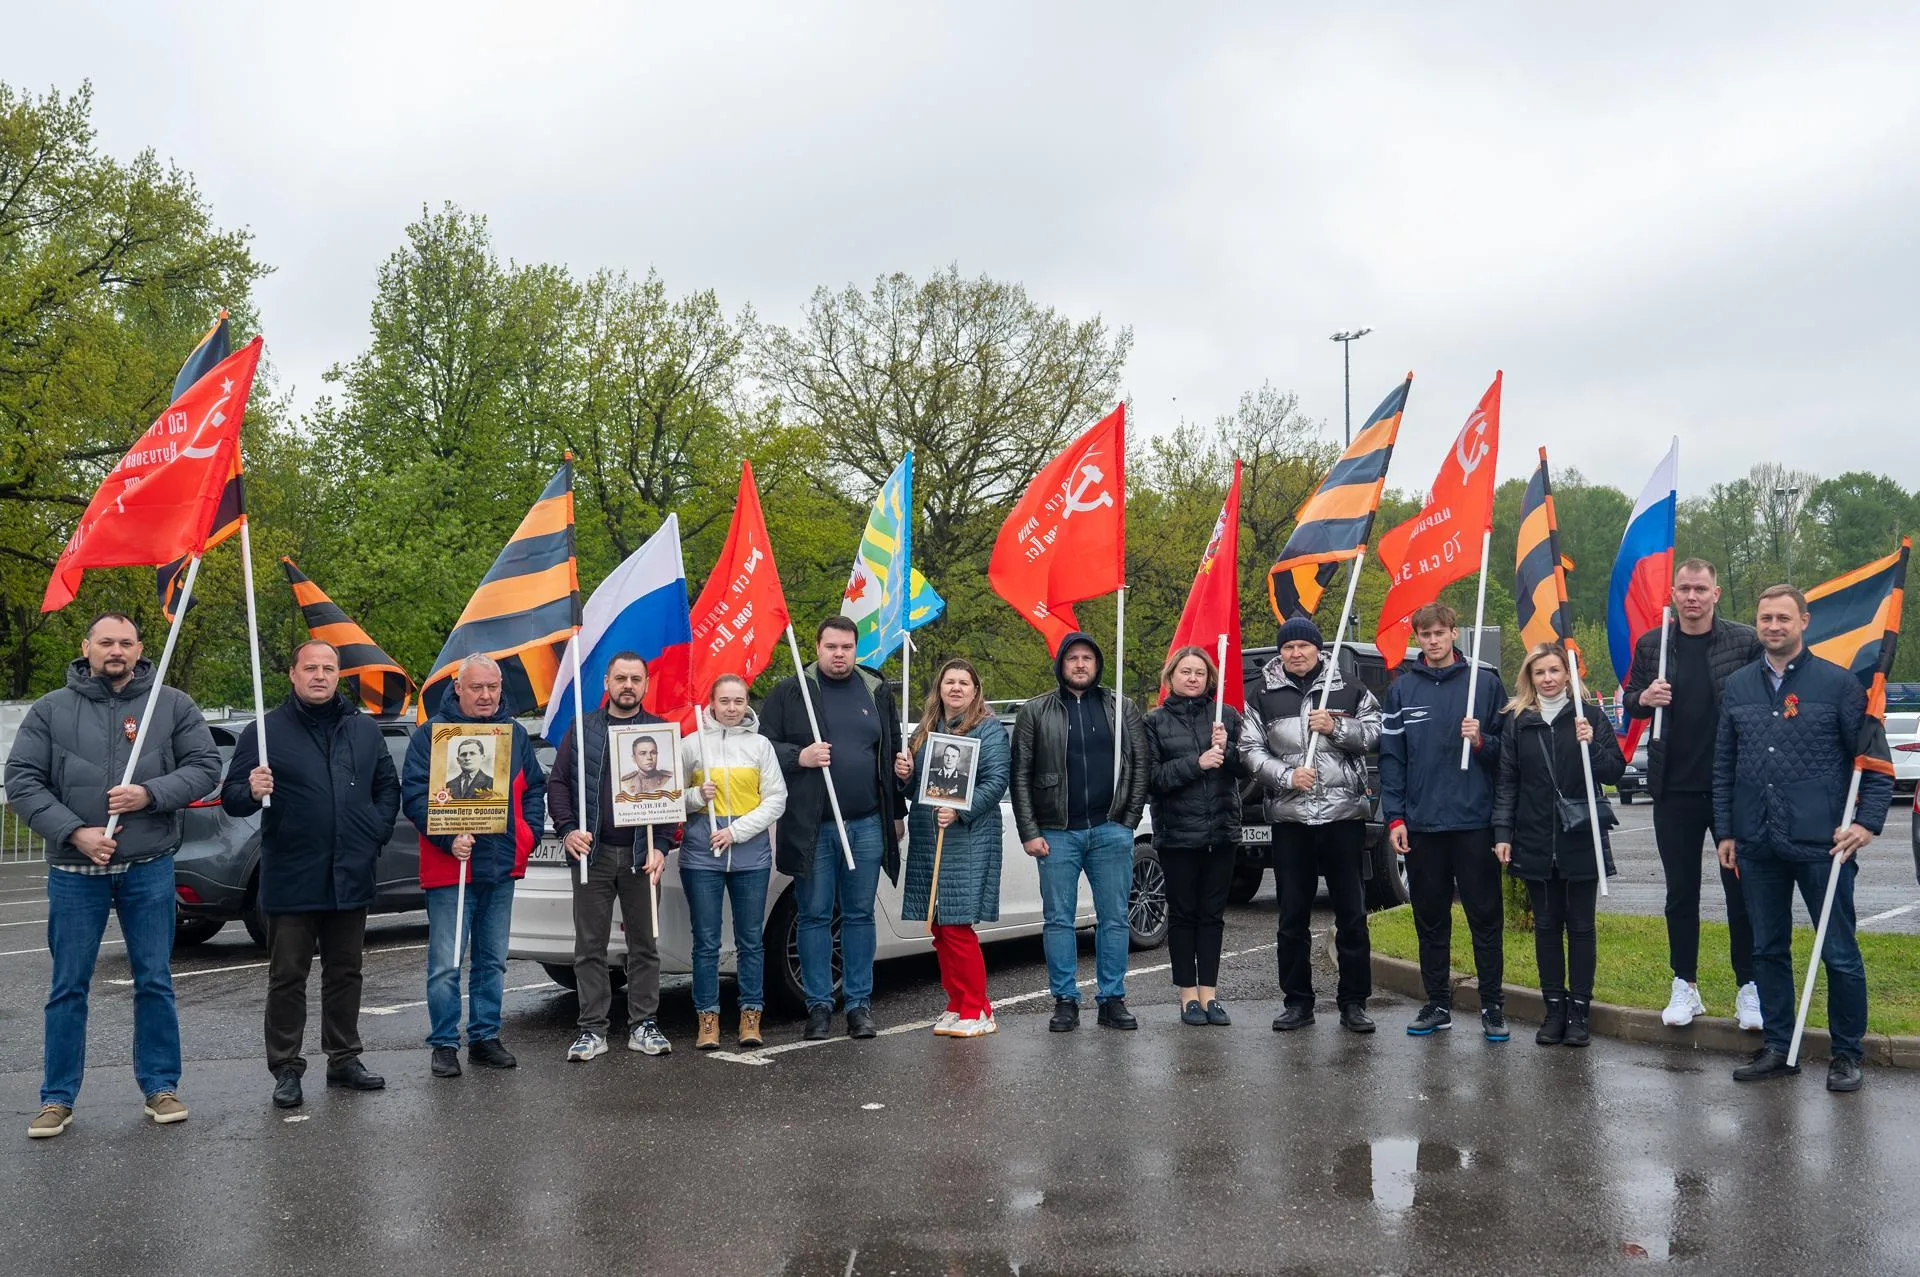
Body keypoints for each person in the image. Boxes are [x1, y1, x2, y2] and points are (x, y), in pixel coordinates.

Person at [6, 612, 220, 1138]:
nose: (116, 650)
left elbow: (205, 766)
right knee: (67, 986)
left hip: (148, 866)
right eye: (106, 642)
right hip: (76, 871)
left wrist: (150, 794)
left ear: (141, 648)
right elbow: (23, 781)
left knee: (154, 980)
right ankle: (56, 1098)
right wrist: (75, 831)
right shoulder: (51, 710)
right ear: (87, 647)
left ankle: (160, 1086)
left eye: (125, 642)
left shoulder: (170, 705)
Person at [1714, 584, 1891, 1092]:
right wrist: (1726, 829)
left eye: (1783, 618)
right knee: (1767, 949)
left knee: (1837, 951)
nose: (1773, 626)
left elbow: (1876, 763)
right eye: (1765, 617)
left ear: (1804, 621)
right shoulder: (1740, 686)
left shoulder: (1838, 686)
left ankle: (1846, 1053)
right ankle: (1778, 1046)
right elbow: (1724, 763)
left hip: (1823, 846)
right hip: (1757, 841)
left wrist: (1866, 823)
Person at [221, 640, 402, 1109]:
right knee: (287, 977)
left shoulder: (363, 729)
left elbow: (387, 787)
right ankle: (286, 1067)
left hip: (351, 871)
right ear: (293, 674)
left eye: (328, 668)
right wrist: (249, 787)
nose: (319, 675)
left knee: (346, 972)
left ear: (339, 675)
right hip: (292, 872)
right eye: (311, 668)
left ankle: (343, 1058)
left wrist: (374, 834)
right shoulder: (264, 732)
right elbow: (233, 798)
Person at [1622, 558, 1765, 1031]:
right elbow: (1628, 699)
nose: (1691, 597)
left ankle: (1750, 986)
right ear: (1673, 594)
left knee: (1740, 893)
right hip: (1674, 787)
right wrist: (1644, 699)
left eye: (1700, 589)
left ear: (1716, 593)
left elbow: (1764, 700)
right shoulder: (1653, 644)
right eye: (1683, 588)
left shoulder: (1744, 641)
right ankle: (1685, 985)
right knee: (1680, 893)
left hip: (1732, 789)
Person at [761, 616, 910, 1041]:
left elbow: (888, 752)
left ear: (855, 648)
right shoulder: (791, 691)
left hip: (865, 824)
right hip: (813, 827)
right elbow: (762, 746)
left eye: (847, 647)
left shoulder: (875, 690)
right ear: (818, 646)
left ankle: (860, 1005)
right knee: (813, 915)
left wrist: (896, 805)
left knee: (860, 916)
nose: (839, 654)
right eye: (831, 647)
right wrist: (798, 757)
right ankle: (819, 1007)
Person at [401, 653, 546, 1078]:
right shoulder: (431, 737)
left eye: (493, 687)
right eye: (477, 687)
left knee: (491, 960)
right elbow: (413, 795)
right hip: (451, 869)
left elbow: (534, 787)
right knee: (446, 962)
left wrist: (528, 836)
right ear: (459, 688)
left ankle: (485, 1036)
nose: (486, 695)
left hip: (501, 866)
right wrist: (448, 837)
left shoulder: (515, 735)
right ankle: (444, 1043)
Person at [1243, 617, 1383, 1034]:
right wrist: (1286, 777)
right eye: (1288, 647)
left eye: (1304, 646)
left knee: (1352, 914)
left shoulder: (1349, 688)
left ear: (1318, 649)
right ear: (1280, 652)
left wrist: (1337, 726)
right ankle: (1297, 1003)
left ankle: (1354, 1002)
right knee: (1291, 916)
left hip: (1342, 818)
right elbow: (1249, 749)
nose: (1296, 653)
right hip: (1292, 821)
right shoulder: (1262, 694)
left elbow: (1377, 732)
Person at [1379, 603, 1510, 1041]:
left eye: (1440, 632)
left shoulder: (1485, 685)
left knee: (1485, 918)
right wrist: (1395, 816)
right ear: (1417, 638)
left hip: (1474, 823)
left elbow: (1507, 756)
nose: (1433, 641)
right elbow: (1392, 760)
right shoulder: (1402, 690)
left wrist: (1482, 741)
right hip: (1423, 826)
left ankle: (1493, 1005)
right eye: (1425, 634)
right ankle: (1437, 1003)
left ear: (1455, 633)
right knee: (1430, 920)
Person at [1011, 631, 1151, 1033]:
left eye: (1087, 657)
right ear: (1061, 664)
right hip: (1056, 833)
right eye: (1072, 658)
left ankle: (1112, 999)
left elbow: (1140, 765)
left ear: (1097, 664)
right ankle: (1065, 1000)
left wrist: (1128, 822)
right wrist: (1029, 829)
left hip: (1110, 830)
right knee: (1058, 919)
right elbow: (1020, 775)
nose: (1080, 664)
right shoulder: (1035, 711)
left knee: (1114, 918)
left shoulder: (1121, 707)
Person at [1492, 642, 1625, 1048]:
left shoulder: (1591, 716)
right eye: (1539, 673)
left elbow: (1615, 772)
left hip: (1580, 836)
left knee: (1581, 927)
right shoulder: (1518, 722)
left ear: (1567, 674)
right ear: (1529, 679)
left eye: (1554, 670)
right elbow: (1507, 781)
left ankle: (1580, 1011)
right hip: (1533, 837)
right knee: (1546, 928)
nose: (1548, 678)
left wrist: (1593, 744)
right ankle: (1554, 1009)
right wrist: (1502, 833)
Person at [547, 653, 674, 1061]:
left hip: (642, 855)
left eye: (636, 679)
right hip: (594, 855)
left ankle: (644, 1024)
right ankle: (592, 1030)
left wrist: (662, 846)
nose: (628, 685)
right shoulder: (583, 729)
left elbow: (672, 802)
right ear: (607, 682)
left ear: (646, 684)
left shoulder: (661, 732)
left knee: (644, 945)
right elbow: (559, 783)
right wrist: (567, 831)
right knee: (589, 948)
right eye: (621, 678)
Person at [897, 658, 1011, 1039]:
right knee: (938, 925)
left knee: (957, 924)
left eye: (964, 682)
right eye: (950, 682)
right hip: (931, 837)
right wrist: (907, 775)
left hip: (969, 836)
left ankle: (978, 1006)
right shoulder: (926, 730)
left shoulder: (989, 729)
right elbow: (917, 790)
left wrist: (961, 812)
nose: (957, 688)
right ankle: (955, 1002)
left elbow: (996, 781)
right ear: (940, 688)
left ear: (975, 690)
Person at [679, 674, 788, 1051]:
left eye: (738, 701)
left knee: (750, 942)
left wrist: (735, 832)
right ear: (711, 703)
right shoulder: (692, 745)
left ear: (746, 704)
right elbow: (664, 797)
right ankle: (707, 1018)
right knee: (706, 942)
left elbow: (776, 799)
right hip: (701, 856)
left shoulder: (761, 746)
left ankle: (750, 1016)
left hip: (750, 856)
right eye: (724, 701)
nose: (731, 708)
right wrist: (695, 796)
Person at [1144, 645, 1246, 1027]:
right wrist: (1197, 762)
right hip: (1177, 836)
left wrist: (1227, 748)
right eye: (1185, 671)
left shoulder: (1228, 717)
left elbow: (1246, 769)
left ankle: (1211, 996)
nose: (1192, 678)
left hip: (1220, 833)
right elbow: (1153, 780)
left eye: (1199, 673)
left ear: (1209, 679)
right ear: (1171, 677)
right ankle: (1187, 997)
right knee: (1184, 916)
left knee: (1212, 916)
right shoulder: (1153, 722)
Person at [618, 733, 674, 799]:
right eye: (643, 753)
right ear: (634, 758)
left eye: (653, 753)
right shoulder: (626, 782)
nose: (649, 757)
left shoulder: (669, 779)